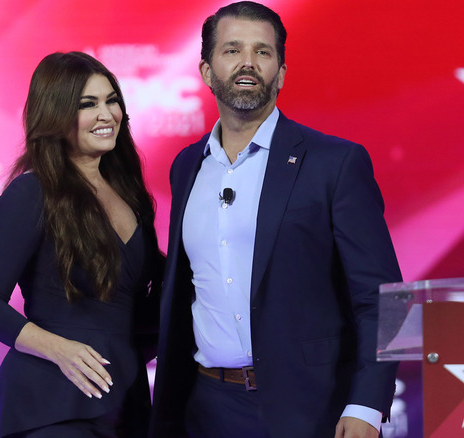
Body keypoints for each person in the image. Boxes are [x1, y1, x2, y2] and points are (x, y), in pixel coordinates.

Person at [149, 2, 402, 437]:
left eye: (263, 52)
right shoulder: (186, 166)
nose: (248, 62)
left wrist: (366, 404)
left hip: (312, 409)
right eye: (232, 50)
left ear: (281, 73)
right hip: (205, 409)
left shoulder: (335, 163)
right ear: (207, 72)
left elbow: (384, 299)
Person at [0, 51, 162, 437]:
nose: (106, 114)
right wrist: (61, 350)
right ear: (55, 115)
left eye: (112, 100)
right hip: (50, 405)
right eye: (87, 104)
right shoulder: (32, 193)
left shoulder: (132, 197)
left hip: (123, 404)